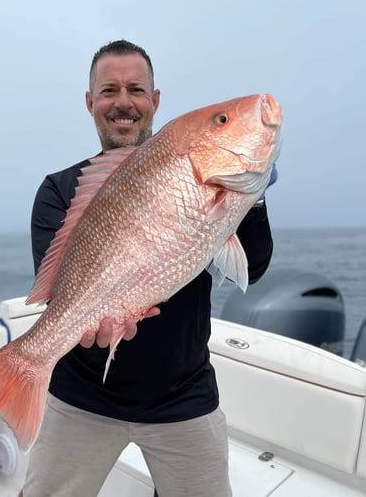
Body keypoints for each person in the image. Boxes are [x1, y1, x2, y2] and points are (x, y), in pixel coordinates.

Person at [23, 40, 275, 497]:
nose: (124, 102)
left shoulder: (214, 184)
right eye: (109, 90)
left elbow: (251, 269)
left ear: (155, 101)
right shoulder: (60, 189)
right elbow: (63, 292)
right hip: (80, 396)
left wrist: (251, 198)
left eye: (137, 89)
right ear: (91, 103)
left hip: (184, 395)